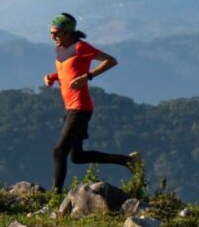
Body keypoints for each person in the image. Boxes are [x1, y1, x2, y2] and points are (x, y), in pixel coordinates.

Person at [42, 12, 138, 192]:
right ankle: (127, 161)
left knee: (59, 151)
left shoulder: (81, 47)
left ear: (68, 32)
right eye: (51, 32)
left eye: (56, 32)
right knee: (77, 157)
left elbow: (111, 61)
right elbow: (67, 71)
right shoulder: (62, 49)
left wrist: (88, 76)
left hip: (81, 108)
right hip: (70, 108)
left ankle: (55, 197)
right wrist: (52, 77)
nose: (52, 36)